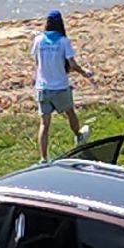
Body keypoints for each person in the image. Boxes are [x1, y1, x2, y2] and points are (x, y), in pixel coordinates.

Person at [32, 10, 94, 161]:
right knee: (70, 113)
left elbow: (37, 61)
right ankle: (78, 136)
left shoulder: (38, 40)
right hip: (59, 86)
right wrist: (84, 72)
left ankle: (43, 158)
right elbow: (72, 64)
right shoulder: (63, 41)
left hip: (42, 87)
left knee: (44, 124)